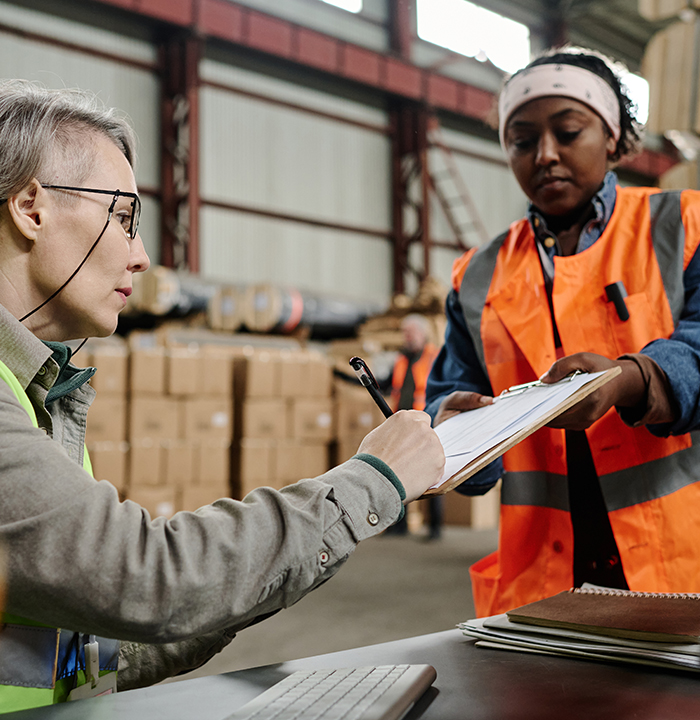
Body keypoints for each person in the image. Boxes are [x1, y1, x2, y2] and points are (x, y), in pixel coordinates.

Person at [0, 80, 446, 713]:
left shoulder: (36, 392)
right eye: (123, 218)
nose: (142, 257)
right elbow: (146, 577)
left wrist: (267, 570)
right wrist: (371, 481)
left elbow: (96, 642)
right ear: (31, 207)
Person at [425, 49, 700, 618]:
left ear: (611, 136)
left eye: (567, 131)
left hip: (683, 564)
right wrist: (453, 432)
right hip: (545, 581)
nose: (545, 155)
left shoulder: (691, 226)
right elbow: (449, 395)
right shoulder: (478, 275)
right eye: (521, 140)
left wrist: (630, 379)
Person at [383, 315, 442, 538]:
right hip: (402, 425)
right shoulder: (401, 359)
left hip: (427, 423)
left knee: (433, 473)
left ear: (422, 333)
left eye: (410, 332)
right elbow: (388, 384)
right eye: (404, 332)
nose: (406, 337)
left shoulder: (434, 357)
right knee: (398, 473)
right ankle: (401, 524)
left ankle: (435, 527)